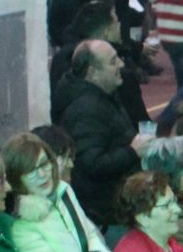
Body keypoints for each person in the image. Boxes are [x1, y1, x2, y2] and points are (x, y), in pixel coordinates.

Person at [4, 129, 110, 252]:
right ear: (16, 178)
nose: (42, 174)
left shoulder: (63, 191)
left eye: (44, 164)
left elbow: (89, 233)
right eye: (30, 171)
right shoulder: (21, 226)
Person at [63, 40, 150, 235]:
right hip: (107, 215)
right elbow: (91, 164)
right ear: (93, 72)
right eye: (113, 61)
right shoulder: (86, 110)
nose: (121, 64)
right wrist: (132, 152)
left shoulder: (103, 97)